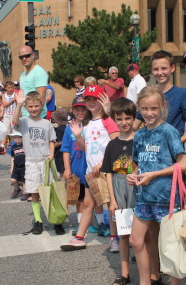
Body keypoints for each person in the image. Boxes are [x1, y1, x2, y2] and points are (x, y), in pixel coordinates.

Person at [126, 86, 186, 285]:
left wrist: (155, 174)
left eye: (154, 108)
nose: (149, 113)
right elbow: (139, 165)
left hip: (166, 198)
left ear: (163, 106)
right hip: (144, 196)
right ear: (138, 108)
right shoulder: (139, 135)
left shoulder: (169, 132)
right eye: (144, 109)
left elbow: (184, 164)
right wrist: (133, 176)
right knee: (136, 240)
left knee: (170, 245)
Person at [60, 84, 120, 251]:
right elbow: (85, 147)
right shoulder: (85, 123)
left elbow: (116, 144)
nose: (92, 102)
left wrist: (103, 163)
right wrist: (78, 136)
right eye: (88, 99)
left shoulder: (107, 120)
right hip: (91, 172)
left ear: (103, 99)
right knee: (88, 203)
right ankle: (80, 237)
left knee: (111, 205)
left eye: (95, 99)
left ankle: (114, 239)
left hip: (106, 172)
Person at [12, 91, 63, 235]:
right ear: (26, 107)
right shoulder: (24, 122)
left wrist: (51, 154)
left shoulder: (47, 123)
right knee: (34, 192)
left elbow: (51, 141)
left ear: (41, 105)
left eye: (36, 106)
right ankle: (38, 221)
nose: (34, 109)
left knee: (51, 191)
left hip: (46, 162)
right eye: (30, 106)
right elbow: (15, 122)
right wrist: (19, 104)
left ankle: (56, 220)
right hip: (32, 162)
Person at [101, 97, 137, 284]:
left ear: (133, 118)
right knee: (124, 234)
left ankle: (151, 271)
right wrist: (112, 201)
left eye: (127, 118)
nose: (124, 122)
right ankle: (125, 273)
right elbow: (108, 173)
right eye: (120, 119)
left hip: (137, 189)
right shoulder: (112, 144)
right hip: (119, 188)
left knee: (142, 234)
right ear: (114, 120)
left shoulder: (140, 139)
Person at [133, 50, 186, 145]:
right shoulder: (147, 95)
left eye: (164, 68)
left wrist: (176, 142)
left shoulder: (182, 94)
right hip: (151, 151)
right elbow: (134, 125)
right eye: (156, 69)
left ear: (172, 68)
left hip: (172, 155)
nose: (160, 73)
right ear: (151, 70)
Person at [60, 96, 88, 236]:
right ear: (73, 110)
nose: (80, 112)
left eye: (83, 109)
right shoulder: (69, 127)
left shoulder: (91, 125)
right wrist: (67, 168)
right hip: (76, 169)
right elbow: (65, 149)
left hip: (89, 168)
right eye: (77, 109)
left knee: (96, 197)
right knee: (79, 198)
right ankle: (80, 223)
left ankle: (100, 223)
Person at [18, 45, 48, 118]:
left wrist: (34, 120)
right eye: (21, 57)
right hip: (25, 118)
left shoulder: (39, 72)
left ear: (33, 55)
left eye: (27, 56)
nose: (24, 59)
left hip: (37, 118)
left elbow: (41, 99)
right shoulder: (22, 75)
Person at [0, 81, 17, 155]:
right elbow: (5, 104)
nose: (10, 89)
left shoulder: (15, 94)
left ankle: (14, 146)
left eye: (12, 87)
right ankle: (2, 146)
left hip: (14, 114)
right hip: (7, 114)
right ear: (6, 88)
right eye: (9, 87)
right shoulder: (4, 95)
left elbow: (18, 104)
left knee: (14, 132)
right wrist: (13, 99)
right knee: (5, 131)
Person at [51, 108, 69, 178]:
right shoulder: (66, 127)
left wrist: (51, 147)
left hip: (60, 154)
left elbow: (59, 142)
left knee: (62, 172)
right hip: (63, 154)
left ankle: (62, 186)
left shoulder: (60, 129)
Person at [8, 131, 25, 199]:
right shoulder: (13, 147)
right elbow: (12, 157)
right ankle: (17, 189)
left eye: (19, 137)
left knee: (24, 181)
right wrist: (12, 167)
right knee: (13, 180)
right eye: (15, 137)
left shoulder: (25, 146)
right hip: (16, 167)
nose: (17, 139)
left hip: (24, 167)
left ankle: (25, 192)